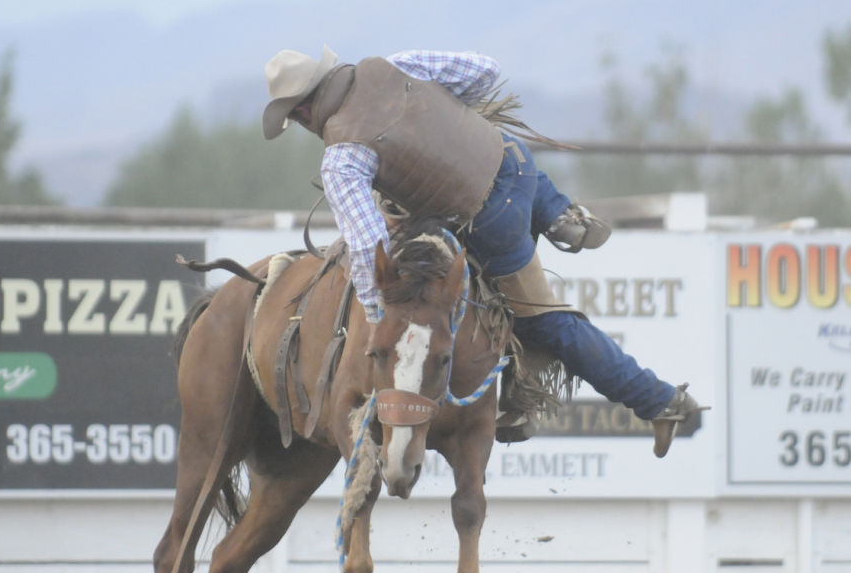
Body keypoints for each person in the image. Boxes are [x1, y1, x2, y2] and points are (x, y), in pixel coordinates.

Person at [261, 46, 705, 457]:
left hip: (492, 222)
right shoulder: (396, 66)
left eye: (295, 118)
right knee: (507, 168)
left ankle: (658, 400)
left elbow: (366, 244)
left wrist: (378, 313)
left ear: (303, 111)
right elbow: (483, 70)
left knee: (545, 323)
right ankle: (557, 212)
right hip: (515, 161)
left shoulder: (343, 158)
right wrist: (449, 131)